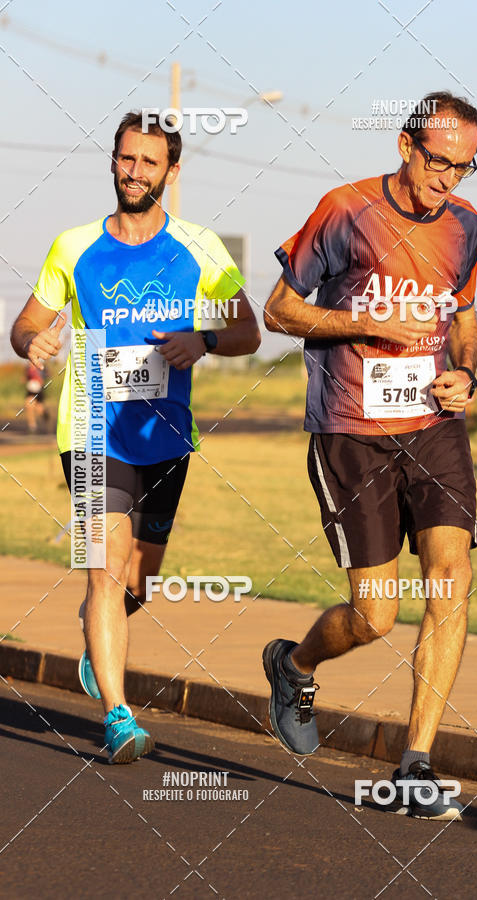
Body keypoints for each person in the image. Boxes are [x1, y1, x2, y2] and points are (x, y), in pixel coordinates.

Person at [11, 110, 260, 764]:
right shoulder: (73, 247)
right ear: (113, 161)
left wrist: (202, 340)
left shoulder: (202, 246)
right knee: (105, 569)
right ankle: (119, 718)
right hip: (92, 431)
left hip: (167, 436)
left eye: (150, 162)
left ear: (171, 172)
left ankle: (98, 631)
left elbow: (248, 332)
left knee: (137, 582)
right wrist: (31, 341)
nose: (135, 171)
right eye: (127, 158)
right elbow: (25, 325)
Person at [262, 92, 477, 819]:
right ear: (405, 145)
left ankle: (416, 764)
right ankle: (294, 664)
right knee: (376, 615)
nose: (448, 178)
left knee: (451, 579)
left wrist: (465, 372)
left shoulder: (465, 225)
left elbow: (464, 316)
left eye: (463, 166)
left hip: (433, 426)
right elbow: (279, 309)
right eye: (438, 161)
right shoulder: (345, 210)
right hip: (351, 431)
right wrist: (364, 319)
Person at [24, 361, 47, 433]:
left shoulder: (40, 369)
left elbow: (44, 378)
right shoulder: (27, 369)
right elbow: (26, 378)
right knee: (29, 407)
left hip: (38, 391)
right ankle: (32, 425)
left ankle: (45, 415)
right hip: (30, 391)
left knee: (39, 409)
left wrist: (39, 379)